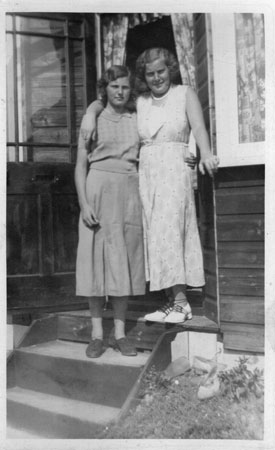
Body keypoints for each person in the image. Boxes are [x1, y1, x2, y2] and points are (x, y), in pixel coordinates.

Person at [82, 47, 219, 325]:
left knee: (171, 231)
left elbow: (199, 128)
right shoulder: (140, 101)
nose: (157, 78)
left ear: (171, 69)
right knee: (155, 235)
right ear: (144, 77)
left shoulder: (185, 94)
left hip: (173, 169)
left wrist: (203, 152)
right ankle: (173, 301)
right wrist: (90, 112)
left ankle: (182, 303)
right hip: (145, 172)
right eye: (150, 73)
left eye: (161, 71)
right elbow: (107, 101)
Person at [75, 65, 146, 358]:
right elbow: (80, 165)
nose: (120, 92)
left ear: (131, 90)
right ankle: (96, 335)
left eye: (125, 87)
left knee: (122, 262)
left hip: (128, 192)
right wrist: (83, 203)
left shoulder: (137, 118)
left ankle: (119, 334)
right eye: (114, 86)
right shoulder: (92, 119)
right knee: (94, 261)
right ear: (105, 88)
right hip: (96, 191)